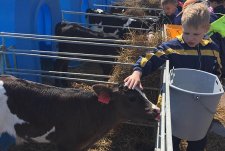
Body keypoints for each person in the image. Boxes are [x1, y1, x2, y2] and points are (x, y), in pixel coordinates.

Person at [124, 3, 222, 151]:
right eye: (186, 32)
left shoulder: (212, 49)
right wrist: (137, 71)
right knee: (171, 139)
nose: (190, 38)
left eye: (196, 34)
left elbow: (217, 70)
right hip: (176, 103)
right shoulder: (173, 47)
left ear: (206, 30)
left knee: (198, 140)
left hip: (199, 105)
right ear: (182, 27)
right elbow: (151, 56)